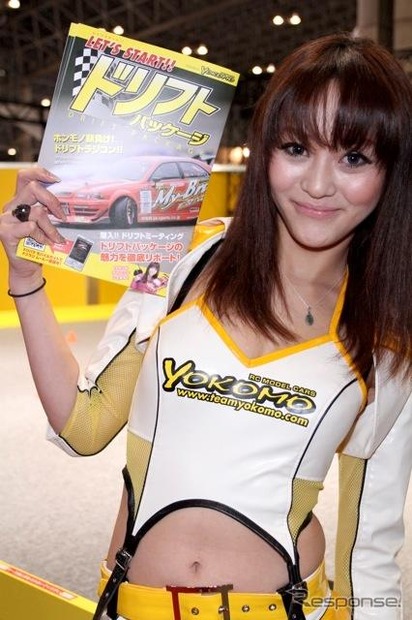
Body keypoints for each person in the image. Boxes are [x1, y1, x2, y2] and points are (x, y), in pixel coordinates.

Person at [1, 32, 412, 620]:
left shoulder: (385, 339)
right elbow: (83, 425)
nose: (319, 184)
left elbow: (367, 549)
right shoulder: (183, 262)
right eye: (297, 147)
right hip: (132, 606)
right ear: (265, 150)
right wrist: (26, 279)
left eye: (354, 158)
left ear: (390, 171)